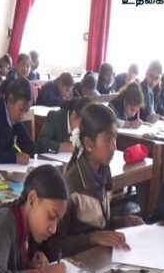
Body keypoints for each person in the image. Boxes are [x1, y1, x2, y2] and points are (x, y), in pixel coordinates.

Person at [42, 103, 143, 261]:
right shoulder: (71, 186)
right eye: (108, 140)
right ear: (89, 144)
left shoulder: (104, 170)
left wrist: (124, 222)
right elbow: (55, 247)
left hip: (100, 256)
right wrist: (93, 238)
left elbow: (101, 224)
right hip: (78, 263)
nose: (114, 146)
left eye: (115, 138)